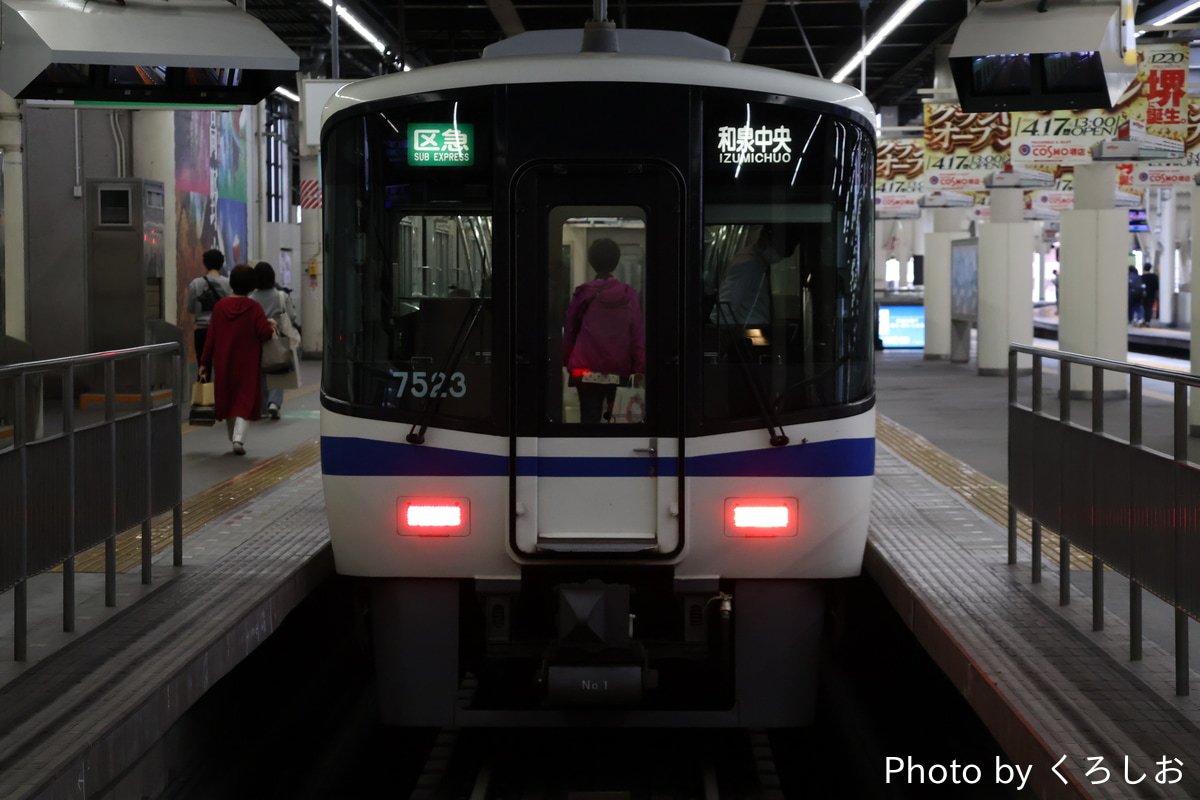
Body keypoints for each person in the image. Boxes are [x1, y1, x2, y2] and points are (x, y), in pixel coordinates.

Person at [562, 238, 646, 424]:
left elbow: (570, 330)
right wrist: (640, 367)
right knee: (617, 419)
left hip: (585, 369)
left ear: (592, 262)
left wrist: (567, 361)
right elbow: (637, 333)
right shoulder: (629, 294)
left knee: (589, 419)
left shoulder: (583, 293)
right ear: (616, 262)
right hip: (619, 368)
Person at [199, 264, 277, 455]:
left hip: (224, 361)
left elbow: (211, 339)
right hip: (248, 363)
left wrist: (204, 363)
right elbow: (264, 334)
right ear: (252, 286)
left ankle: (233, 437)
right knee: (245, 398)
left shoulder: (220, 307)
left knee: (228, 397)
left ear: (232, 283)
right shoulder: (254, 308)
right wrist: (271, 325)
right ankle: (238, 439)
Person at [709, 224, 803, 330]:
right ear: (764, 238)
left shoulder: (760, 263)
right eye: (778, 250)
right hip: (747, 337)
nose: (779, 258)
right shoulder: (748, 264)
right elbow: (722, 311)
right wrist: (737, 339)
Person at [249, 261, 300, 419]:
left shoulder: (251, 298)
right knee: (278, 370)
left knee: (262, 372)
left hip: (257, 341)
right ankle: (274, 403)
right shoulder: (281, 296)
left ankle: (264, 407)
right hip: (277, 339)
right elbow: (292, 316)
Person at [186, 249, 231, 362]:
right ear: (221, 264)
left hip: (202, 332)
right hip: (222, 331)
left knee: (203, 368)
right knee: (222, 366)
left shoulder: (195, 284)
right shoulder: (228, 284)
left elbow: (190, 308)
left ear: (205, 264)